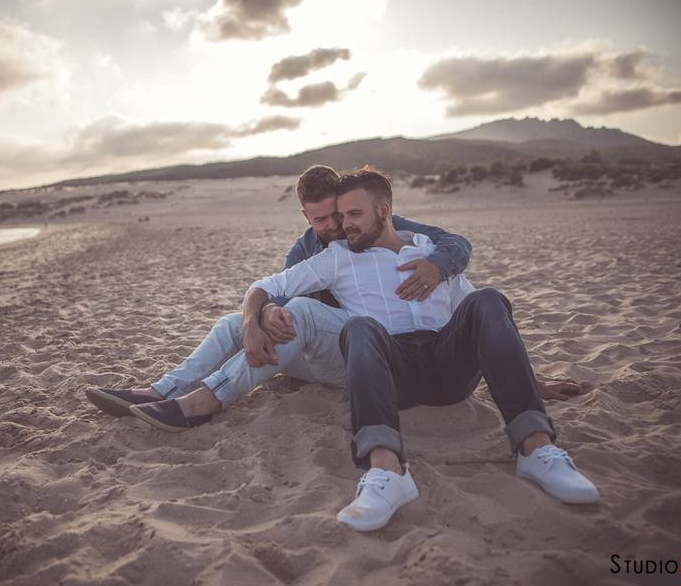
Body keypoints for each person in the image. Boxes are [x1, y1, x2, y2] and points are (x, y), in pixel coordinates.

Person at [236, 167, 599, 532]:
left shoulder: (431, 254)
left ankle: (536, 448)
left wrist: (533, 382)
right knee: (359, 326)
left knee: (489, 299)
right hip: (396, 373)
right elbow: (266, 285)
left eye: (354, 214)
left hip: (448, 368)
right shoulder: (337, 257)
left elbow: (485, 323)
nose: (345, 225)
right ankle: (386, 471)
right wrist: (253, 319)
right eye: (342, 216)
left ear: (384, 210)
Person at [84, 164, 475, 426]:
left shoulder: (381, 227)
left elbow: (455, 244)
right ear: (306, 217)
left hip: (369, 354)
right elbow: (274, 290)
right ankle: (160, 391)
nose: (335, 226)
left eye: (338, 215)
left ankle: (202, 401)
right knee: (231, 325)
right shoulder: (306, 250)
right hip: (317, 349)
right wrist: (260, 317)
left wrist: (438, 265)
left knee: (301, 311)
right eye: (320, 219)